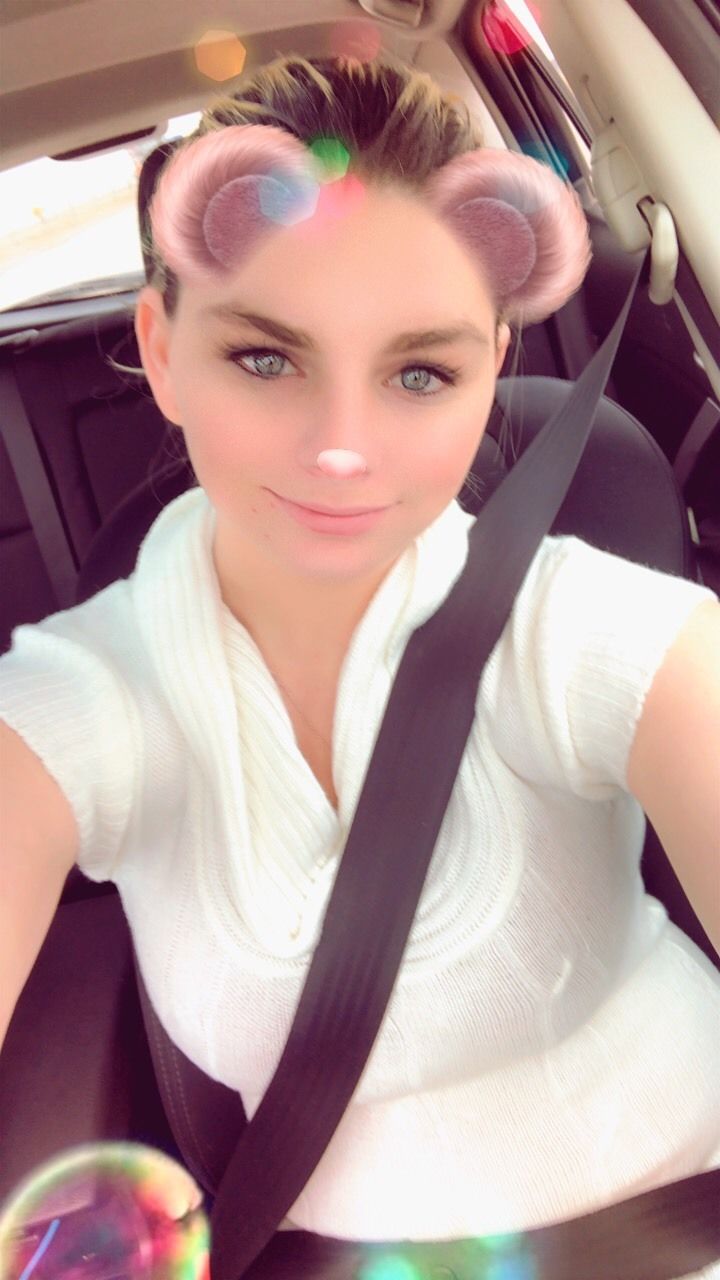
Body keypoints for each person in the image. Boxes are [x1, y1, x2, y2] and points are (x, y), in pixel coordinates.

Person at [1, 52, 719, 1276]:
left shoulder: (574, 626)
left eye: (420, 372)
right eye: (267, 358)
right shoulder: (85, 696)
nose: (342, 448)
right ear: (162, 350)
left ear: (494, 367)